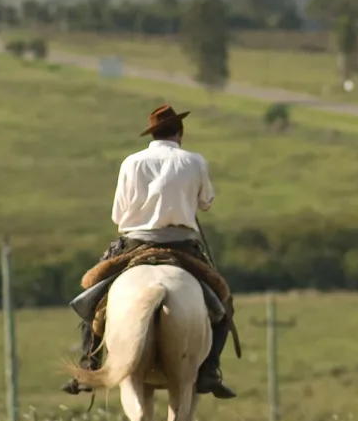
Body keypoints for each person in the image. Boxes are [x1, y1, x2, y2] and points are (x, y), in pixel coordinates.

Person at [60, 104, 237, 399]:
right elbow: (206, 202)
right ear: (180, 132)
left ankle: (88, 365)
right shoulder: (194, 161)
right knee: (222, 300)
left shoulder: (131, 163)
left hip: (134, 243)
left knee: (92, 298)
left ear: (152, 134)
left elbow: (118, 215)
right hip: (182, 244)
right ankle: (209, 371)